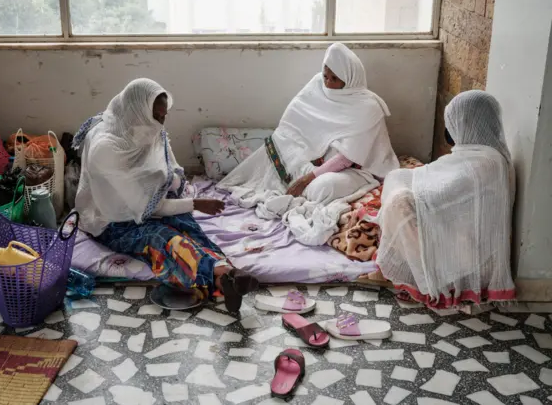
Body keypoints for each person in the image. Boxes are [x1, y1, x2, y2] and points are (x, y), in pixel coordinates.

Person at [73, 78, 258, 312]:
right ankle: (222, 275)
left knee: (184, 224)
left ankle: (225, 271)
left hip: (144, 204)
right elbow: (151, 208)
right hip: (110, 222)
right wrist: (195, 203)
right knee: (160, 237)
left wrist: (178, 187)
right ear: (137, 111)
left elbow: (170, 169)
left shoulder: (146, 126)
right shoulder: (106, 148)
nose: (161, 123)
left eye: (164, 116)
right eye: (156, 117)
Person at [218, 43, 399, 218]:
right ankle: (296, 184)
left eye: (334, 79)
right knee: (284, 147)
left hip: (354, 169)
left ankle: (303, 187)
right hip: (317, 160)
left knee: (323, 188)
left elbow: (347, 158)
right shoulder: (317, 85)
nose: (327, 83)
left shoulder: (367, 107)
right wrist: (304, 161)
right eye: (325, 75)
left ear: (350, 79)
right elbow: (291, 128)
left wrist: (308, 178)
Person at [371, 90, 516, 308]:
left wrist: (413, 192)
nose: (450, 130)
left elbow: (441, 197)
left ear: (468, 123)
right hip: (459, 236)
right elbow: (447, 181)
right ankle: (421, 270)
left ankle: (428, 284)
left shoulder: (488, 162)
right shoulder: (478, 153)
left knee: (401, 204)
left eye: (453, 123)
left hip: (468, 253)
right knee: (398, 177)